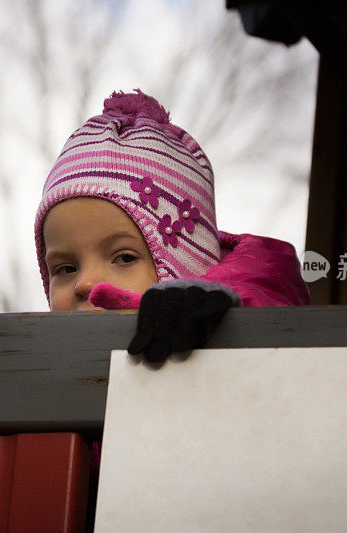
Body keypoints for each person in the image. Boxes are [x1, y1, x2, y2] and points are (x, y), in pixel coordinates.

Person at [34, 89, 309, 363]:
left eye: (124, 257)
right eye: (66, 268)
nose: (85, 283)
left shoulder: (249, 327)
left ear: (186, 269)